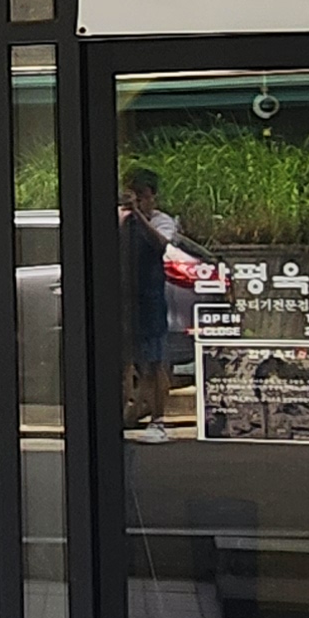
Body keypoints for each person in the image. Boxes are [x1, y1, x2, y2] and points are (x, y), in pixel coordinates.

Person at [122, 167, 176, 441]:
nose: (138, 200)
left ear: (153, 196)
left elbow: (161, 244)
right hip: (123, 299)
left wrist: (139, 216)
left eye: (142, 195)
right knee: (122, 361)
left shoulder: (161, 220)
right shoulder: (123, 220)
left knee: (154, 361)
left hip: (150, 298)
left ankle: (158, 421)